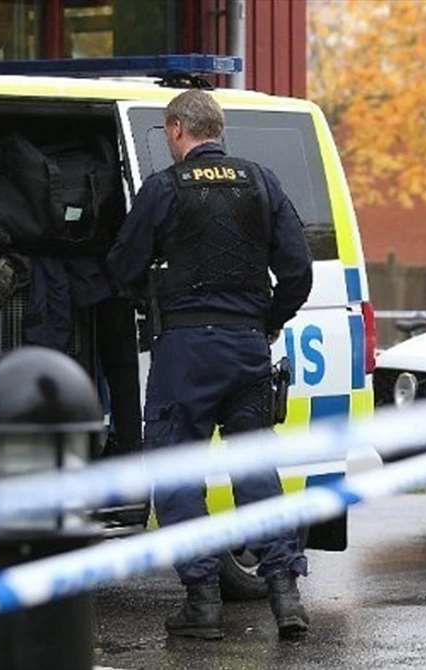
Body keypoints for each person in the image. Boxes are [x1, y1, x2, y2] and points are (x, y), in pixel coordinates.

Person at [106, 90, 313, 640]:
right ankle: (285, 595)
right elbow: (298, 269)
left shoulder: (165, 188)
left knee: (177, 472)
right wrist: (268, 320)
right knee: (255, 469)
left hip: (186, 349)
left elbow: (122, 265)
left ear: (177, 129)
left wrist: (148, 298)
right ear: (218, 129)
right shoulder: (261, 181)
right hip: (247, 347)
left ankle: (202, 603)